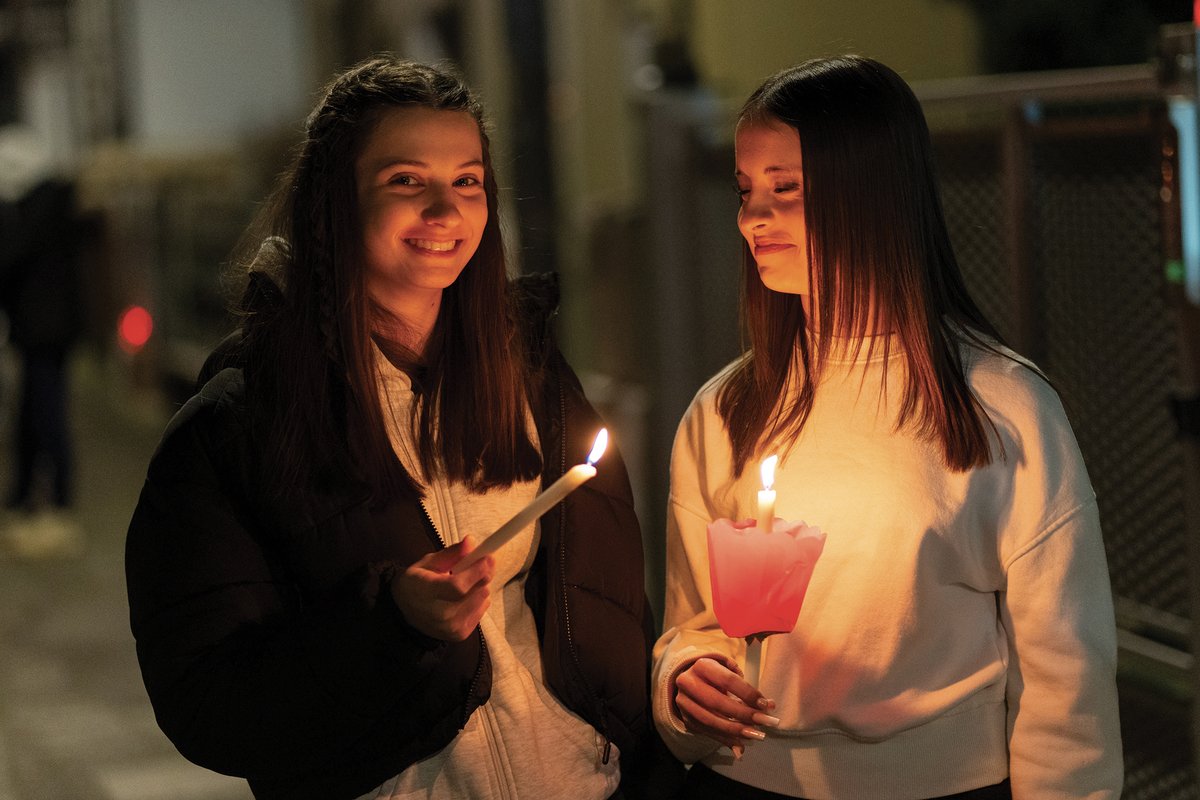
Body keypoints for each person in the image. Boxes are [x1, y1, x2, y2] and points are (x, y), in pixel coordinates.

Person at [126, 57, 674, 800]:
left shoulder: (533, 379)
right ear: (335, 203)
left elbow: (609, 611)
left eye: (468, 180)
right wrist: (390, 626)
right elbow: (208, 705)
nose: (445, 210)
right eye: (407, 181)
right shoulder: (238, 427)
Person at [651, 55, 1123, 799]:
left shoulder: (999, 407)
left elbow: (1064, 669)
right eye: (745, 191)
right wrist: (684, 680)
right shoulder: (726, 410)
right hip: (747, 782)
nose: (751, 218)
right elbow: (695, 623)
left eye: (785, 189)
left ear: (871, 193)